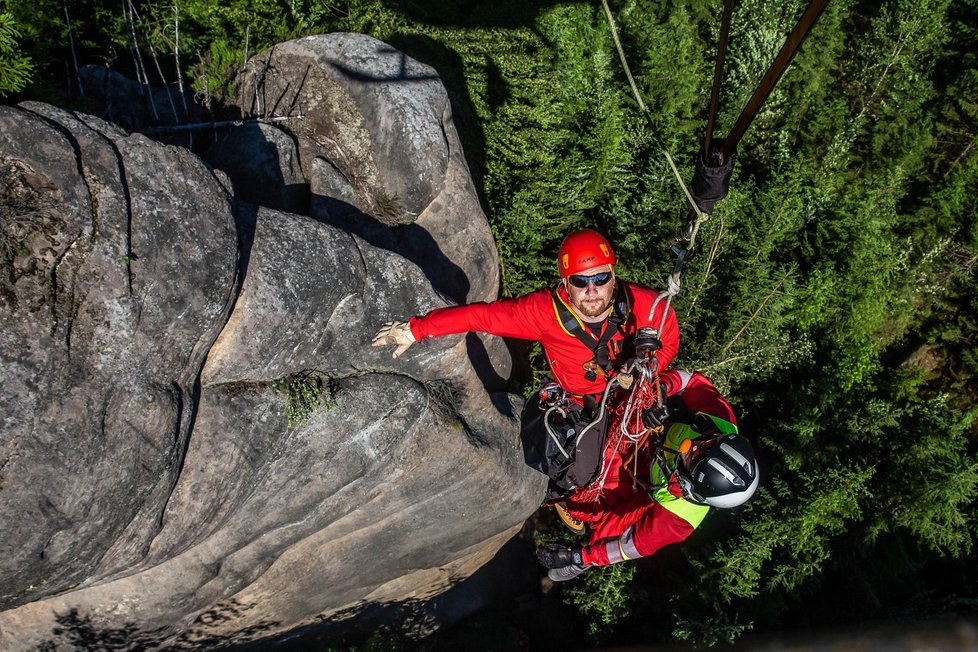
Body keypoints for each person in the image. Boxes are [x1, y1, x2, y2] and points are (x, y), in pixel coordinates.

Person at [372, 229, 680, 499]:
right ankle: (563, 494)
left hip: (628, 393)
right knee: (581, 472)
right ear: (566, 282)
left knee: (648, 451)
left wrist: (645, 372)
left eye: (600, 278)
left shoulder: (647, 305)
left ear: (613, 276)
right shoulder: (542, 313)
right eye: (580, 281)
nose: (592, 290)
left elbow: (669, 334)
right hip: (581, 399)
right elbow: (482, 317)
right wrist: (415, 329)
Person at [535, 368, 759, 581]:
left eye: (696, 456)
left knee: (604, 532)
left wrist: (578, 556)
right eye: (709, 442)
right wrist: (662, 387)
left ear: (692, 486)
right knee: (627, 401)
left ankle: (580, 559)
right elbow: (691, 379)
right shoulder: (719, 421)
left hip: (647, 484)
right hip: (652, 432)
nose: (694, 444)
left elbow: (630, 546)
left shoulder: (679, 519)